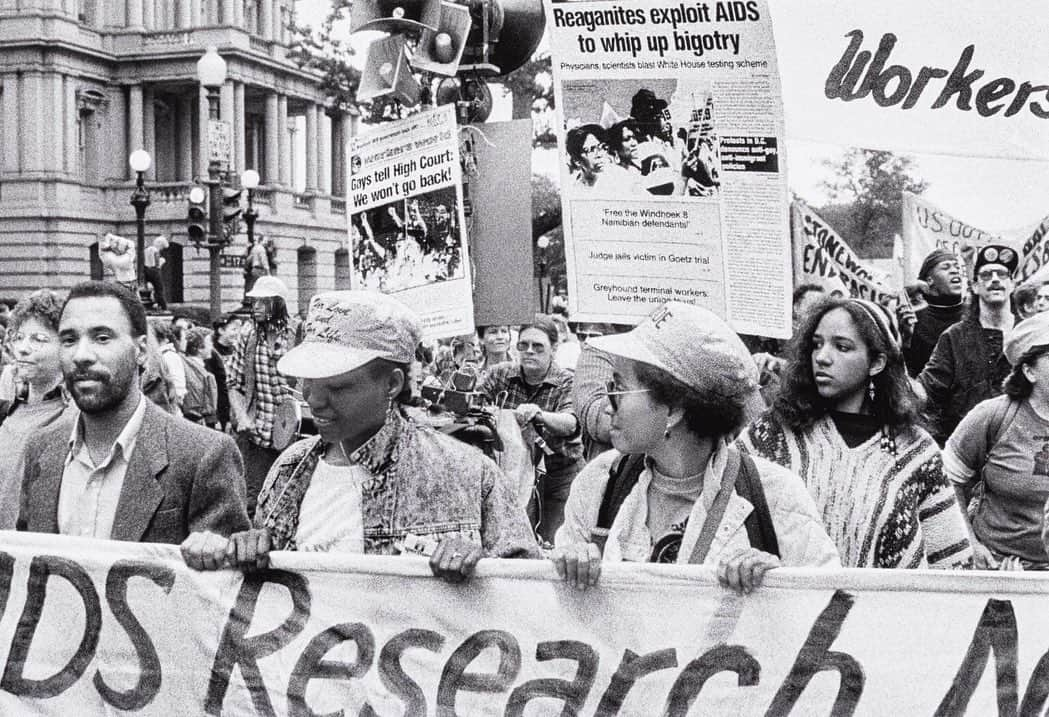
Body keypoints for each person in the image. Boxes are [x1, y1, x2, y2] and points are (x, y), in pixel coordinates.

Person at [181, 290, 539, 581]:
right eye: (308, 382)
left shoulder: (468, 473)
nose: (314, 399)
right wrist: (242, 551)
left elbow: (530, 590)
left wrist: (485, 572)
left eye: (338, 386)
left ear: (392, 385)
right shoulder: (289, 468)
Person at [551, 302, 839, 594]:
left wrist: (778, 583)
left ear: (674, 410)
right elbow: (559, 616)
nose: (608, 405)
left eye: (619, 389)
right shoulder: (599, 482)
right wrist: (566, 568)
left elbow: (830, 607)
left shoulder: (775, 494)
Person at [744, 297, 972, 569]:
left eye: (842, 347)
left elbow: (951, 562)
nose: (822, 357)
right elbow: (721, 506)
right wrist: (750, 555)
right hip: (786, 607)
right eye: (817, 344)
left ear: (876, 363)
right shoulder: (775, 430)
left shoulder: (915, 451)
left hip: (880, 610)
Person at [18, 281, 249, 542]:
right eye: (69, 340)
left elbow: (225, 576)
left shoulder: (204, 455)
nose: (81, 355)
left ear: (140, 351)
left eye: (102, 338)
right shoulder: (40, 449)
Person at [946, 313, 1049, 570]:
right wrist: (969, 543)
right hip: (996, 567)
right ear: (1029, 371)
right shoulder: (993, 416)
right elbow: (946, 481)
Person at [480, 316, 584, 544]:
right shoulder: (499, 374)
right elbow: (473, 405)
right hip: (513, 475)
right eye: (523, 345)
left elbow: (571, 423)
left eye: (538, 346)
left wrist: (539, 415)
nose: (529, 352)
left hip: (559, 476)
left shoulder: (567, 380)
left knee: (554, 543)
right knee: (517, 542)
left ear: (554, 348)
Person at [919, 245, 1018, 445]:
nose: (995, 279)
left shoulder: (1030, 333)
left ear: (1012, 283)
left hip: (1019, 451)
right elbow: (926, 392)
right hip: (965, 453)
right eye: (986, 275)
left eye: (1001, 274)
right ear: (974, 286)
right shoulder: (955, 337)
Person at [227, 275, 298, 514]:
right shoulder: (249, 335)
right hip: (257, 437)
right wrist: (242, 417)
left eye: (262, 302)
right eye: (254, 301)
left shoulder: (298, 334)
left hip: (294, 439)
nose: (255, 307)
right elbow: (233, 383)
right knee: (251, 503)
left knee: (288, 503)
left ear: (278, 304)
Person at [0, 290, 70, 529]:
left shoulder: (77, 415)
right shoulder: (8, 411)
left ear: (65, 345)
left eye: (38, 339)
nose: (22, 348)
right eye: (18, 338)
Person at [905, 249, 965, 376]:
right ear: (930, 280)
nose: (954, 271)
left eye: (956, 267)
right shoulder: (914, 320)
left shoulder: (974, 313)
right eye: (946, 267)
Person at [565, 124, 632, 194]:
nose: (599, 154)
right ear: (577, 160)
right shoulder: (571, 187)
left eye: (601, 147)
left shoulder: (621, 177)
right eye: (591, 150)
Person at [181, 327, 218, 427]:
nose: (212, 346)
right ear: (199, 348)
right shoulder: (199, 374)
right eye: (210, 343)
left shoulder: (187, 365)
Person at [142, 235, 169, 310]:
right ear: (160, 244)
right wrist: (162, 261)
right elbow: (157, 264)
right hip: (154, 271)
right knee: (159, 290)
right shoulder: (155, 250)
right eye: (162, 247)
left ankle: (152, 304)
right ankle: (163, 307)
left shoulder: (146, 250)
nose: (162, 249)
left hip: (146, 270)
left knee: (148, 289)